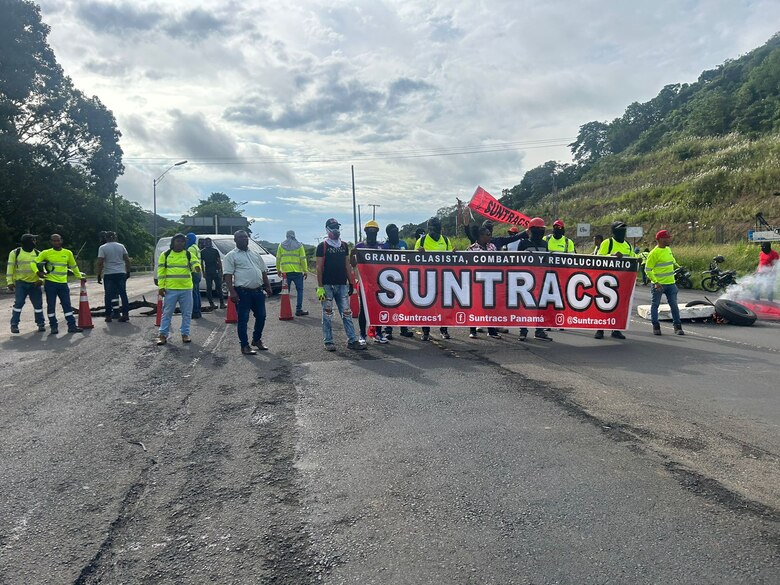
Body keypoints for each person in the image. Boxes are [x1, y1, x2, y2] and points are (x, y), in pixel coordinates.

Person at [315, 218, 364, 351]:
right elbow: (319, 267)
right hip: (327, 285)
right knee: (327, 314)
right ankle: (328, 341)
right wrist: (320, 287)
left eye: (337, 226)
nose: (336, 229)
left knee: (347, 313)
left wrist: (352, 283)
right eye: (333, 226)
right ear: (327, 229)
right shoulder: (322, 246)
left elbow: (347, 265)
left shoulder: (343, 245)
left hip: (342, 285)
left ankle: (352, 340)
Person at [224, 230, 272, 355]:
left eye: (245, 237)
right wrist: (232, 292)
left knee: (261, 316)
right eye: (240, 237)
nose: (243, 239)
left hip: (258, 291)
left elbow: (263, 272)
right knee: (243, 319)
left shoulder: (255, 254)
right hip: (242, 292)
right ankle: (244, 345)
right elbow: (228, 276)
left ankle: (256, 340)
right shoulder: (231, 256)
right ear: (235, 240)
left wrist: (267, 286)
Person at [33, 234, 85, 334]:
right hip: (50, 283)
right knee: (51, 306)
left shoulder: (67, 253)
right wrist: (37, 272)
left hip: (63, 284)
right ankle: (53, 326)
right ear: (51, 242)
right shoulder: (46, 253)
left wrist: (79, 276)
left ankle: (72, 326)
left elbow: (73, 266)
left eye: (58, 240)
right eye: (54, 241)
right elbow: (33, 262)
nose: (56, 242)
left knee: (67, 305)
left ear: (61, 241)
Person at [594, 221, 636, 340]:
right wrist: (612, 256)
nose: (622, 232)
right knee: (604, 306)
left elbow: (632, 259)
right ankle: (600, 330)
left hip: (622, 280)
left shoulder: (628, 245)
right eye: (619, 230)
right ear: (614, 231)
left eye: (624, 230)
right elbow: (598, 258)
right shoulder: (608, 243)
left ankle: (616, 330)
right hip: (607, 281)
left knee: (619, 306)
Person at [156, 233, 199, 346]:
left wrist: (197, 268)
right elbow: (161, 272)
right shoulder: (165, 255)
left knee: (187, 313)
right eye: (178, 241)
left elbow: (195, 263)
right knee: (167, 313)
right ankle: (163, 335)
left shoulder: (188, 254)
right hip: (170, 289)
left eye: (182, 241)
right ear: (173, 242)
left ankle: (185, 334)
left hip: (186, 289)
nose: (180, 243)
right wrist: (161, 287)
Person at [415, 217, 453, 341]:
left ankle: (444, 330)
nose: (432, 230)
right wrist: (419, 253)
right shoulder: (421, 241)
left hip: (443, 280)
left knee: (443, 306)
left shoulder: (446, 240)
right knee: (426, 307)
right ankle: (426, 331)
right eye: (430, 228)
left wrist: (454, 254)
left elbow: (452, 260)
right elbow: (413, 261)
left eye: (435, 228)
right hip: (426, 280)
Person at [516, 218, 552, 342]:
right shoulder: (523, 243)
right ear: (532, 230)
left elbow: (547, 262)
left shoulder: (544, 244)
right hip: (525, 280)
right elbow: (518, 262)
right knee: (525, 306)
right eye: (539, 229)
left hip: (541, 279)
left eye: (543, 229)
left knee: (541, 306)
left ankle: (539, 330)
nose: (541, 231)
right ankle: (523, 331)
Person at [352, 220, 388, 344]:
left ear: (377, 232)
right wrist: (352, 255)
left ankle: (378, 333)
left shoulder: (382, 246)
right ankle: (362, 334)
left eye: (374, 231)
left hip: (379, 283)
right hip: (364, 283)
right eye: (369, 231)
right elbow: (353, 264)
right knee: (363, 308)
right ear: (366, 232)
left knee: (378, 307)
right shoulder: (360, 246)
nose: (372, 233)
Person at [645, 230, 684, 336]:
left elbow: (672, 260)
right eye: (668, 238)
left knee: (674, 306)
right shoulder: (654, 253)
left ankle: (677, 327)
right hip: (659, 285)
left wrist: (678, 266)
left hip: (671, 283)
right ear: (661, 239)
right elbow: (648, 269)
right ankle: (656, 327)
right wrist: (656, 282)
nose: (669, 239)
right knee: (655, 306)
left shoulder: (668, 249)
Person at [7, 234, 45, 333]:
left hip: (35, 284)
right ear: (28, 242)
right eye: (33, 240)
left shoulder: (38, 253)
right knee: (19, 303)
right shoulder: (15, 253)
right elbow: (10, 268)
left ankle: (41, 324)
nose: (35, 242)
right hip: (21, 283)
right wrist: (9, 282)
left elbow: (43, 270)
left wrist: (42, 280)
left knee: (38, 305)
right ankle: (14, 325)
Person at [468, 227, 501, 339]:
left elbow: (499, 261)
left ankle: (491, 330)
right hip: (476, 282)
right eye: (488, 234)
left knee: (490, 307)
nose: (490, 236)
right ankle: (472, 330)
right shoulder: (472, 249)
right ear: (481, 236)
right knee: (474, 307)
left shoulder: (492, 247)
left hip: (490, 282)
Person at [382, 223, 413, 339]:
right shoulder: (384, 246)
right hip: (388, 280)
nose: (395, 233)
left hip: (403, 279)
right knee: (389, 305)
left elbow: (410, 259)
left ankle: (404, 328)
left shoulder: (403, 244)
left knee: (403, 305)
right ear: (388, 234)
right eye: (392, 231)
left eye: (396, 231)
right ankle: (388, 330)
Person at [96, 231, 131, 323]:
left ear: (106, 238)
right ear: (115, 237)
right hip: (120, 273)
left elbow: (100, 262)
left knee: (108, 294)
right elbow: (127, 260)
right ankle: (125, 314)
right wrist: (128, 272)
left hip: (109, 274)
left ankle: (108, 315)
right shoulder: (121, 246)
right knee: (123, 294)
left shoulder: (103, 248)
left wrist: (99, 274)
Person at [276, 230, 309, 316]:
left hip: (285, 273)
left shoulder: (281, 245)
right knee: (300, 291)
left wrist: (278, 269)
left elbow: (278, 258)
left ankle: (286, 310)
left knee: (286, 292)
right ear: (294, 235)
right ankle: (298, 309)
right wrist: (305, 270)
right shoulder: (299, 245)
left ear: (286, 236)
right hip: (297, 272)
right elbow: (303, 259)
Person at [200, 238, 225, 309]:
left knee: (209, 288)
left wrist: (203, 272)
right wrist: (221, 271)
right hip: (215, 270)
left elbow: (201, 263)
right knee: (219, 288)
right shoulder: (215, 251)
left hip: (208, 271)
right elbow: (219, 261)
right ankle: (222, 303)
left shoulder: (202, 251)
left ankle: (211, 304)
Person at [186, 232, 203, 319]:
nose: (186, 240)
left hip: (193, 272)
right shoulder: (196, 247)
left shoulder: (190, 249)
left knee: (193, 294)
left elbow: (189, 262)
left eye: (188, 239)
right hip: (198, 273)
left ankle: (195, 312)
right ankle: (198, 311)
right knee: (197, 293)